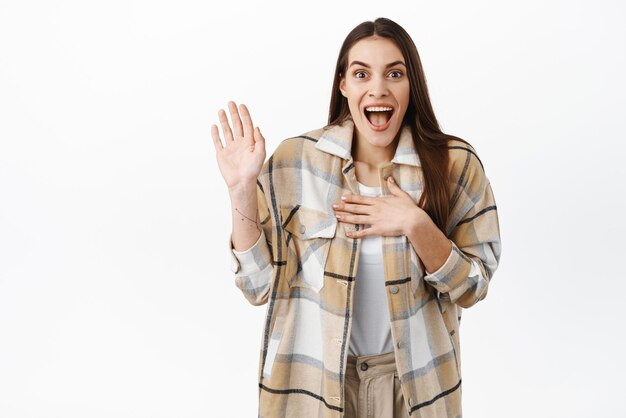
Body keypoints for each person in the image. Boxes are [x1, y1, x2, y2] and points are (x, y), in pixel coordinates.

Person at [211, 17, 501, 418]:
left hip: (415, 388)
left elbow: (473, 286)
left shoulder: (454, 165)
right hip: (315, 387)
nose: (378, 88)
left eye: (394, 73)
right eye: (362, 73)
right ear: (343, 84)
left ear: (411, 84)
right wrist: (240, 188)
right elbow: (257, 285)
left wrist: (416, 224)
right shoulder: (296, 163)